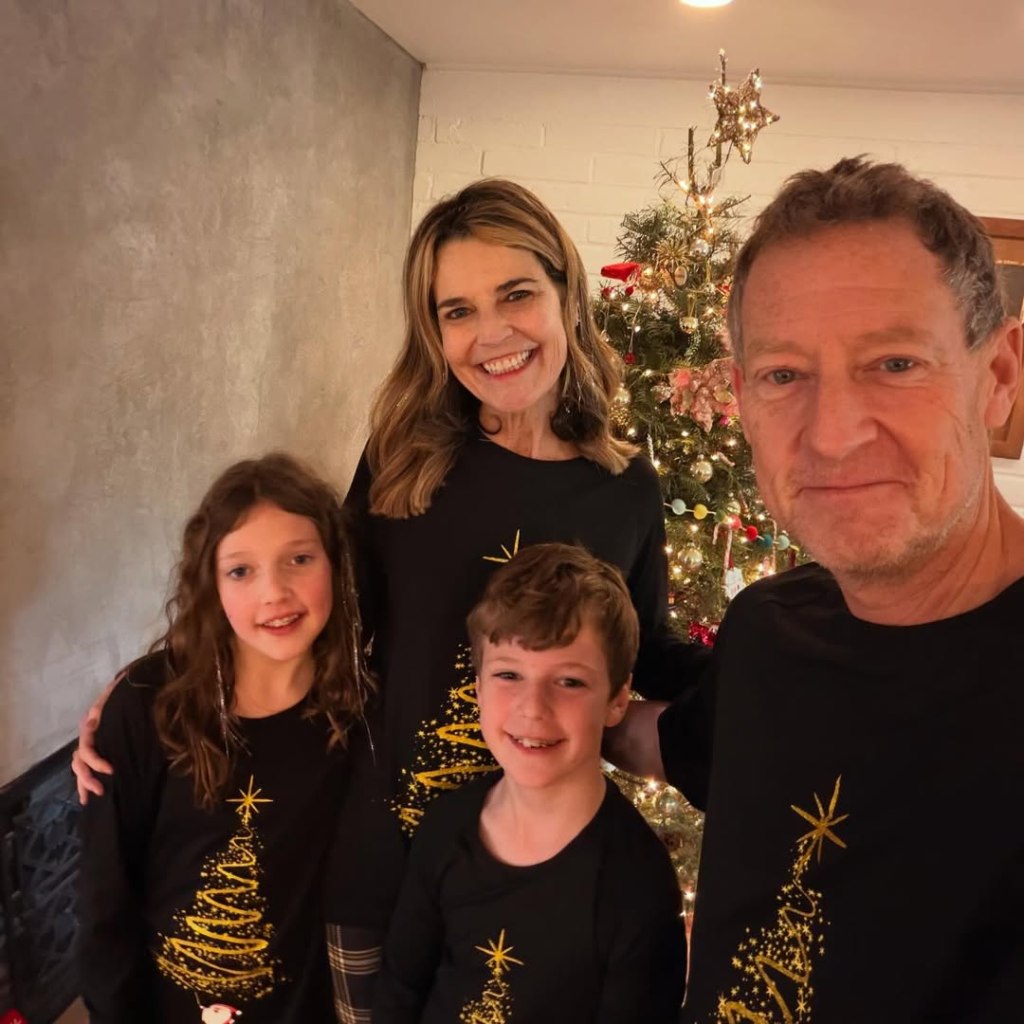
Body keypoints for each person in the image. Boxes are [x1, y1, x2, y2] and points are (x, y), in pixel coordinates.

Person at [73, 179, 707, 1021]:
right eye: (456, 311)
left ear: (566, 292)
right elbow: (307, 599)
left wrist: (756, 692)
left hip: (520, 871)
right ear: (434, 331)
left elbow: (645, 647)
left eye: (516, 294)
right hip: (374, 864)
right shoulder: (411, 454)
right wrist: (150, 689)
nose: (493, 333)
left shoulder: (623, 490)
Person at [609, 157, 1024, 1023]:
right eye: (784, 375)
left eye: (896, 363)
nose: (831, 435)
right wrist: (547, 704)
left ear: (1000, 376)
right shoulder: (770, 629)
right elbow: (679, 744)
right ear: (740, 398)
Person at [77, 453, 371, 1023]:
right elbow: (104, 902)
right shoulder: (146, 706)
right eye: (241, 570)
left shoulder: (361, 709)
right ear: (209, 583)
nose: (275, 592)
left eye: (300, 559)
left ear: (336, 564)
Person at [373, 543, 687, 1023]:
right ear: (477, 686)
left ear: (618, 699)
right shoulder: (447, 827)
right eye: (508, 674)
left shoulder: (637, 884)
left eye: (569, 682)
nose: (532, 708)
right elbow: (399, 992)